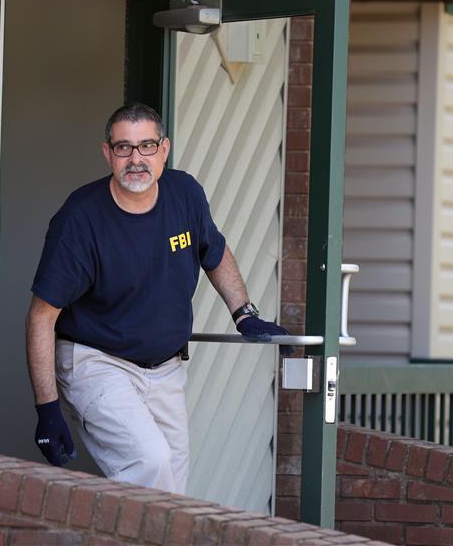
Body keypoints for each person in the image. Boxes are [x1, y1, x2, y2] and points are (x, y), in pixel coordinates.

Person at [25, 102, 287, 494]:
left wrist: (244, 314)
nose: (136, 159)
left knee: (172, 490)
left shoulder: (185, 194)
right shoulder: (80, 220)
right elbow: (41, 317)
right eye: (124, 148)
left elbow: (213, 252)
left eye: (147, 146)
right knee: (151, 462)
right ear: (107, 153)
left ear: (164, 150)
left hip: (165, 370)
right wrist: (46, 408)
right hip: (97, 362)